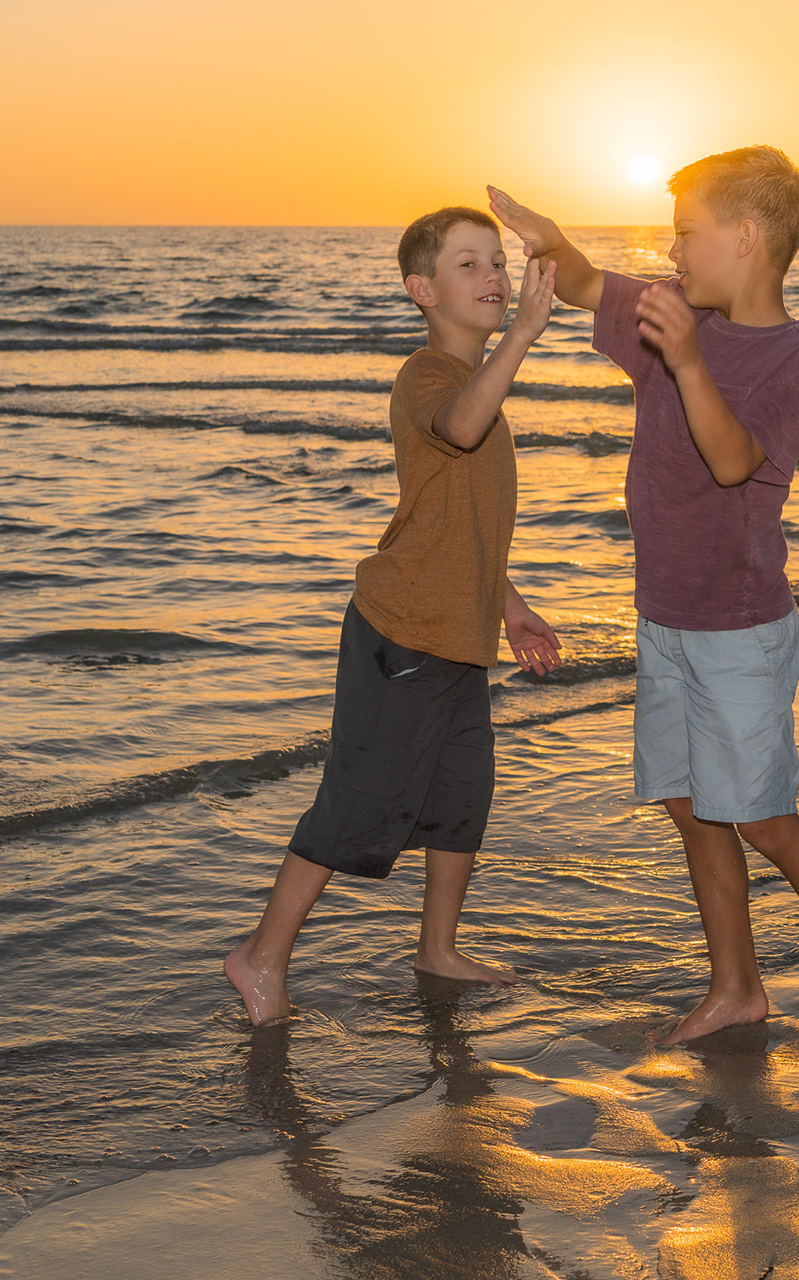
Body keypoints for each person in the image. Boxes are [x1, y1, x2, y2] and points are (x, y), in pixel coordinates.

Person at [488, 147, 799, 1055]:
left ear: (748, 239)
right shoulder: (679, 320)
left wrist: (683, 358)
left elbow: (732, 461)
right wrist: (549, 238)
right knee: (689, 802)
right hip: (665, 615)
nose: (672, 252)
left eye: (687, 234)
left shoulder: (790, 358)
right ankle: (737, 987)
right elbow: (590, 282)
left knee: (758, 812)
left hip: (740, 628)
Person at [224, 207, 562, 1026]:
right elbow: (462, 425)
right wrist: (521, 336)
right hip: (401, 634)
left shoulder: (477, 379)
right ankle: (260, 957)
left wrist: (511, 610)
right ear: (422, 290)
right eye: (468, 265)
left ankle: (437, 948)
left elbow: (465, 529)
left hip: (458, 639)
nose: (492, 278)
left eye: (498, 264)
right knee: (359, 801)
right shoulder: (429, 378)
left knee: (461, 799)